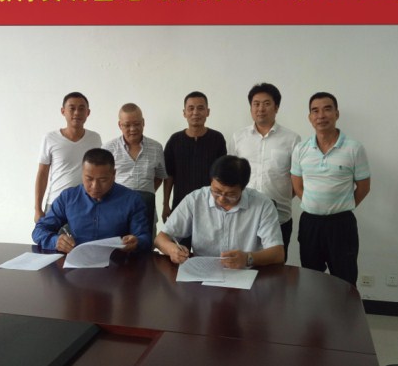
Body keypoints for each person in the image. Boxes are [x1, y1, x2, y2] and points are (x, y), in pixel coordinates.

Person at [291, 92, 371, 286]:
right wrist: (314, 204)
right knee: (311, 279)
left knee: (345, 280)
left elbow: (364, 187)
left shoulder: (354, 148)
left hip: (341, 224)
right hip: (310, 224)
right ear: (310, 117)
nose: (321, 115)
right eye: (315, 111)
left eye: (327, 109)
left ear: (337, 114)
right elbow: (297, 185)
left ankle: (344, 308)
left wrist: (340, 205)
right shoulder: (301, 149)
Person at [154, 155, 284, 269]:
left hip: (247, 274)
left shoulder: (262, 205)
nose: (221, 198)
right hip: (204, 273)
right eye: (216, 191)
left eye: (230, 194)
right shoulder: (195, 200)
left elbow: (278, 253)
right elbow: (160, 239)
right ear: (211, 181)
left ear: (243, 188)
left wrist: (248, 258)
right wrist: (172, 249)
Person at [228, 82, 300, 262]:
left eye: (267, 103)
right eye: (256, 104)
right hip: (243, 217)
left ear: (276, 107)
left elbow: (297, 179)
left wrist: (282, 196)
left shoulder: (292, 139)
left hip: (279, 217)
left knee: (276, 267)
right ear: (251, 108)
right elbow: (231, 176)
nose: (261, 108)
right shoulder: (238, 137)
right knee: (242, 265)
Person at [32, 148, 151, 253]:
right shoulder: (68, 197)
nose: (95, 186)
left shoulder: (132, 200)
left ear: (114, 174)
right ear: (82, 173)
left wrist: (137, 242)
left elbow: (145, 238)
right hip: (77, 263)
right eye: (89, 179)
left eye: (103, 180)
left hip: (117, 263)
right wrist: (55, 241)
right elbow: (39, 230)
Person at [162, 91, 227, 247]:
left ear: (207, 112)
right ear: (184, 113)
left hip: (210, 206)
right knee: (179, 251)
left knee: (207, 251)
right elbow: (169, 175)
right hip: (180, 206)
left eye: (200, 108)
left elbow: (221, 176)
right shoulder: (175, 140)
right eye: (191, 108)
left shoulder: (217, 139)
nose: (195, 113)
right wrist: (165, 204)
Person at [34, 92, 102, 223]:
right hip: (56, 204)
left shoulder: (95, 138)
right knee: (51, 237)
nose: (77, 113)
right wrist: (38, 209)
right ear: (63, 111)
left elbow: (98, 172)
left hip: (86, 204)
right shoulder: (50, 138)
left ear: (88, 112)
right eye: (72, 108)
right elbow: (42, 174)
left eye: (81, 108)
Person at [102, 103, 167, 236]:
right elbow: (103, 180)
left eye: (137, 124)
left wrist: (143, 195)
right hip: (116, 211)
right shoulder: (108, 149)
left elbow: (160, 176)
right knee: (117, 246)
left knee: (146, 247)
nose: (133, 129)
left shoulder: (156, 148)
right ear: (120, 125)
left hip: (146, 210)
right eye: (127, 125)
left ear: (143, 123)